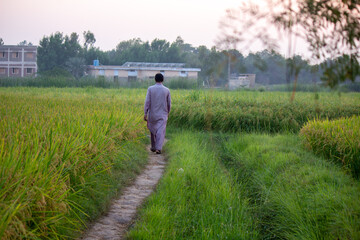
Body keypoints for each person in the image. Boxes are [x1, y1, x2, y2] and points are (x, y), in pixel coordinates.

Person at [144, 73, 171, 154]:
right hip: (163, 114)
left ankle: (153, 146)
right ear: (162, 80)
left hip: (152, 114)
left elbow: (147, 102)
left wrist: (145, 113)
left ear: (155, 79)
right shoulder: (166, 90)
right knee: (160, 131)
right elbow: (169, 103)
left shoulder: (150, 89)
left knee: (152, 129)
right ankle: (158, 148)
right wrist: (168, 112)